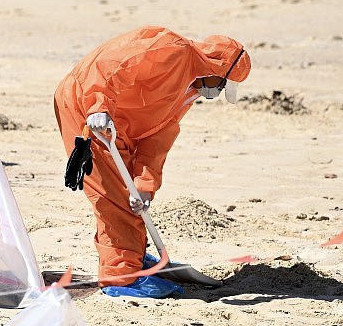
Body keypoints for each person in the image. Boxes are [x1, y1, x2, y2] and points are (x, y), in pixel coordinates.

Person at [55, 25, 250, 298]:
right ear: (214, 71)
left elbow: (156, 140)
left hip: (121, 124)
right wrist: (98, 105)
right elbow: (112, 66)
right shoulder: (171, 49)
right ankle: (121, 275)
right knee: (113, 199)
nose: (217, 93)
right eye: (221, 85)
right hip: (86, 108)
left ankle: (132, 254)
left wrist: (145, 185)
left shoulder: (188, 92)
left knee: (131, 198)